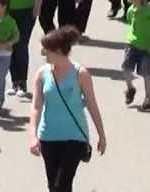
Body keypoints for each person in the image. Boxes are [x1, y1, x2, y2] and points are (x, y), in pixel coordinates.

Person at [28, 26, 108, 192]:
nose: (43, 53)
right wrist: (33, 137)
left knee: (61, 184)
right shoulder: (42, 74)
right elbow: (36, 106)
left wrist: (101, 135)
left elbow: (92, 105)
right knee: (53, 186)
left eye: (46, 50)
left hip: (74, 137)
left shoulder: (81, 74)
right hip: (48, 137)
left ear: (57, 51)